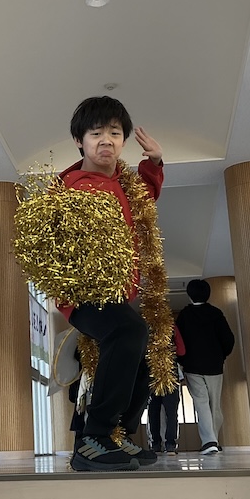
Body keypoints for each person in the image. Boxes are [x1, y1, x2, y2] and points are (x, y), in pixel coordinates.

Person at [59, 96, 165, 472]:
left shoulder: (125, 183)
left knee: (143, 347)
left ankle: (117, 434)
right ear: (80, 140)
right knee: (127, 331)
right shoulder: (71, 187)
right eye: (96, 133)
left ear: (123, 141)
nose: (106, 140)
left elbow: (146, 200)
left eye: (115, 133)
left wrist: (154, 163)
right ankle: (94, 438)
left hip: (118, 290)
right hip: (83, 292)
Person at [175, 279, 235, 455]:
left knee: (201, 403)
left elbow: (179, 342)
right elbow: (228, 339)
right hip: (214, 366)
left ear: (189, 294)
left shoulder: (184, 315)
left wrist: (182, 360)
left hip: (192, 367)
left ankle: (210, 441)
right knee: (214, 404)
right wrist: (221, 356)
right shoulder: (216, 313)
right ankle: (213, 440)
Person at [147, 324, 185, 455]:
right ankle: (170, 444)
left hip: (151, 372)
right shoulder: (172, 327)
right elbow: (181, 351)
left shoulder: (146, 327)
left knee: (153, 410)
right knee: (171, 411)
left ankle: (155, 444)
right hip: (170, 372)